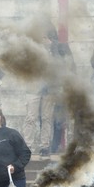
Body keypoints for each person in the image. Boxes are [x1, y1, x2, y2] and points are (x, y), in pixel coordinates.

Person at [22, 24, 70, 157]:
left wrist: (50, 48)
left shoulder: (57, 48)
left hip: (50, 87)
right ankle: (28, 146)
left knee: (47, 117)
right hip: (33, 86)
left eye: (45, 36)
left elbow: (61, 65)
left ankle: (45, 146)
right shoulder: (32, 48)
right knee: (30, 117)